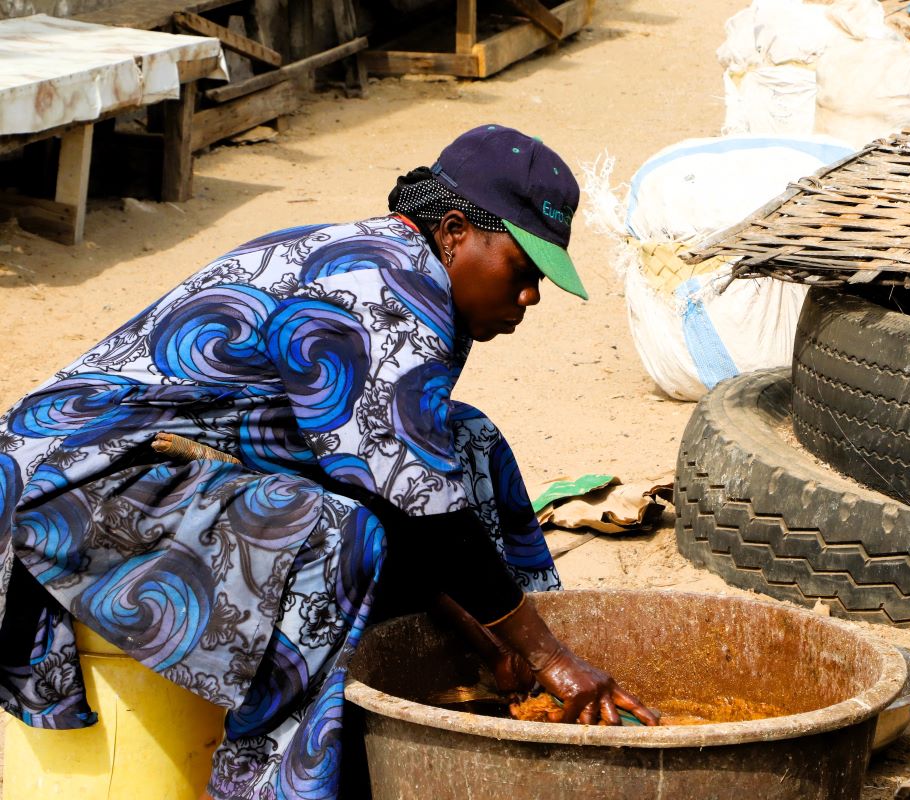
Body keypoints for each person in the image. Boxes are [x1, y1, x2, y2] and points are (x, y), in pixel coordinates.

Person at [0, 124, 658, 800]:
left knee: (467, 441)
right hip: (78, 482)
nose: (530, 299)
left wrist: (498, 644)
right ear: (456, 229)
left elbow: (393, 486)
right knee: (336, 538)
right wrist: (556, 658)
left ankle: (495, 689)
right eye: (522, 271)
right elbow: (410, 511)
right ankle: (276, 780)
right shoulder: (385, 288)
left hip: (179, 464)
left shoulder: (404, 270)